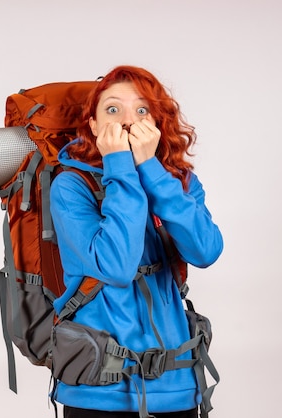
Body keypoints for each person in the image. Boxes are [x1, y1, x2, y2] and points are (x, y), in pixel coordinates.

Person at [49, 65, 224, 418]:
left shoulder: (178, 181)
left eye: (142, 110)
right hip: (99, 392)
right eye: (113, 110)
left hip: (179, 387)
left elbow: (206, 251)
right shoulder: (70, 186)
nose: (128, 121)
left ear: (158, 123)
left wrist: (152, 171)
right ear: (95, 127)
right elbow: (117, 267)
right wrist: (119, 166)